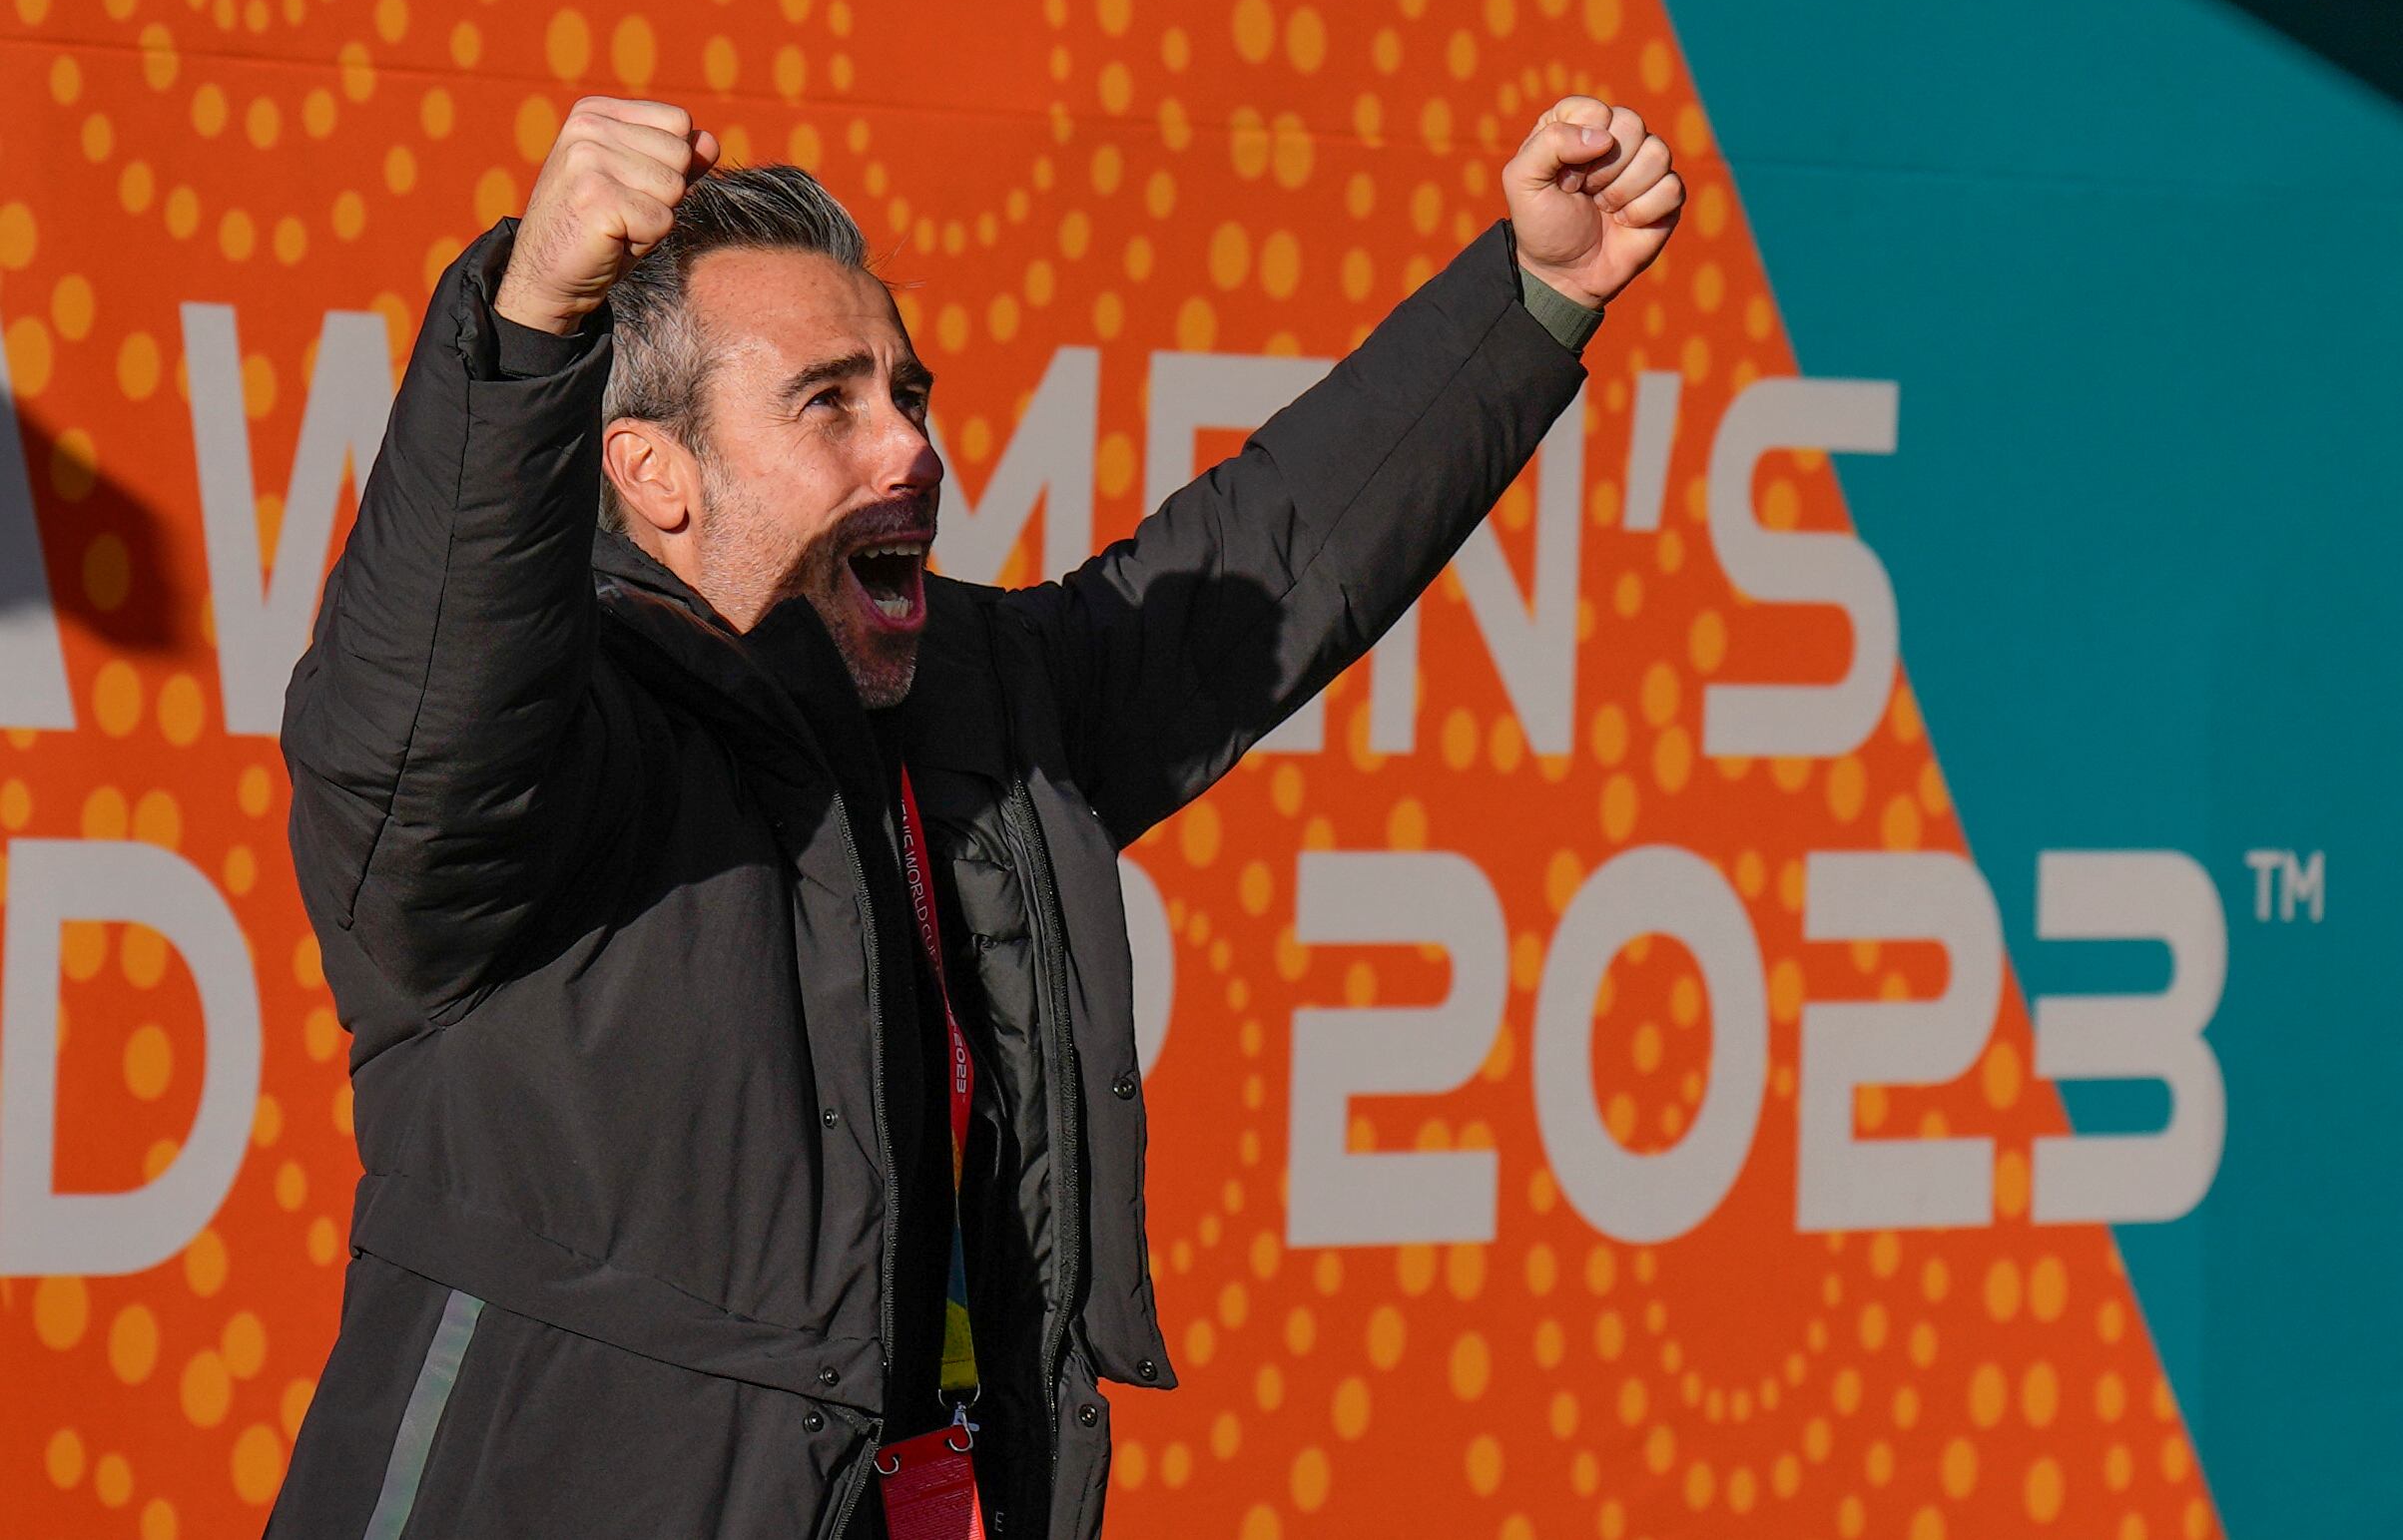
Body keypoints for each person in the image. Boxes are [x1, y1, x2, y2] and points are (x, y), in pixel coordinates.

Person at [267, 89, 1679, 1539]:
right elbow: (421, 724)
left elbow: (1265, 562)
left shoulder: (969, 706)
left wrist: (1535, 295)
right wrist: (526, 331)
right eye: (830, 400)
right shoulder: (551, 756)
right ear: (654, 471)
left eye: (910, 394)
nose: (911, 451)